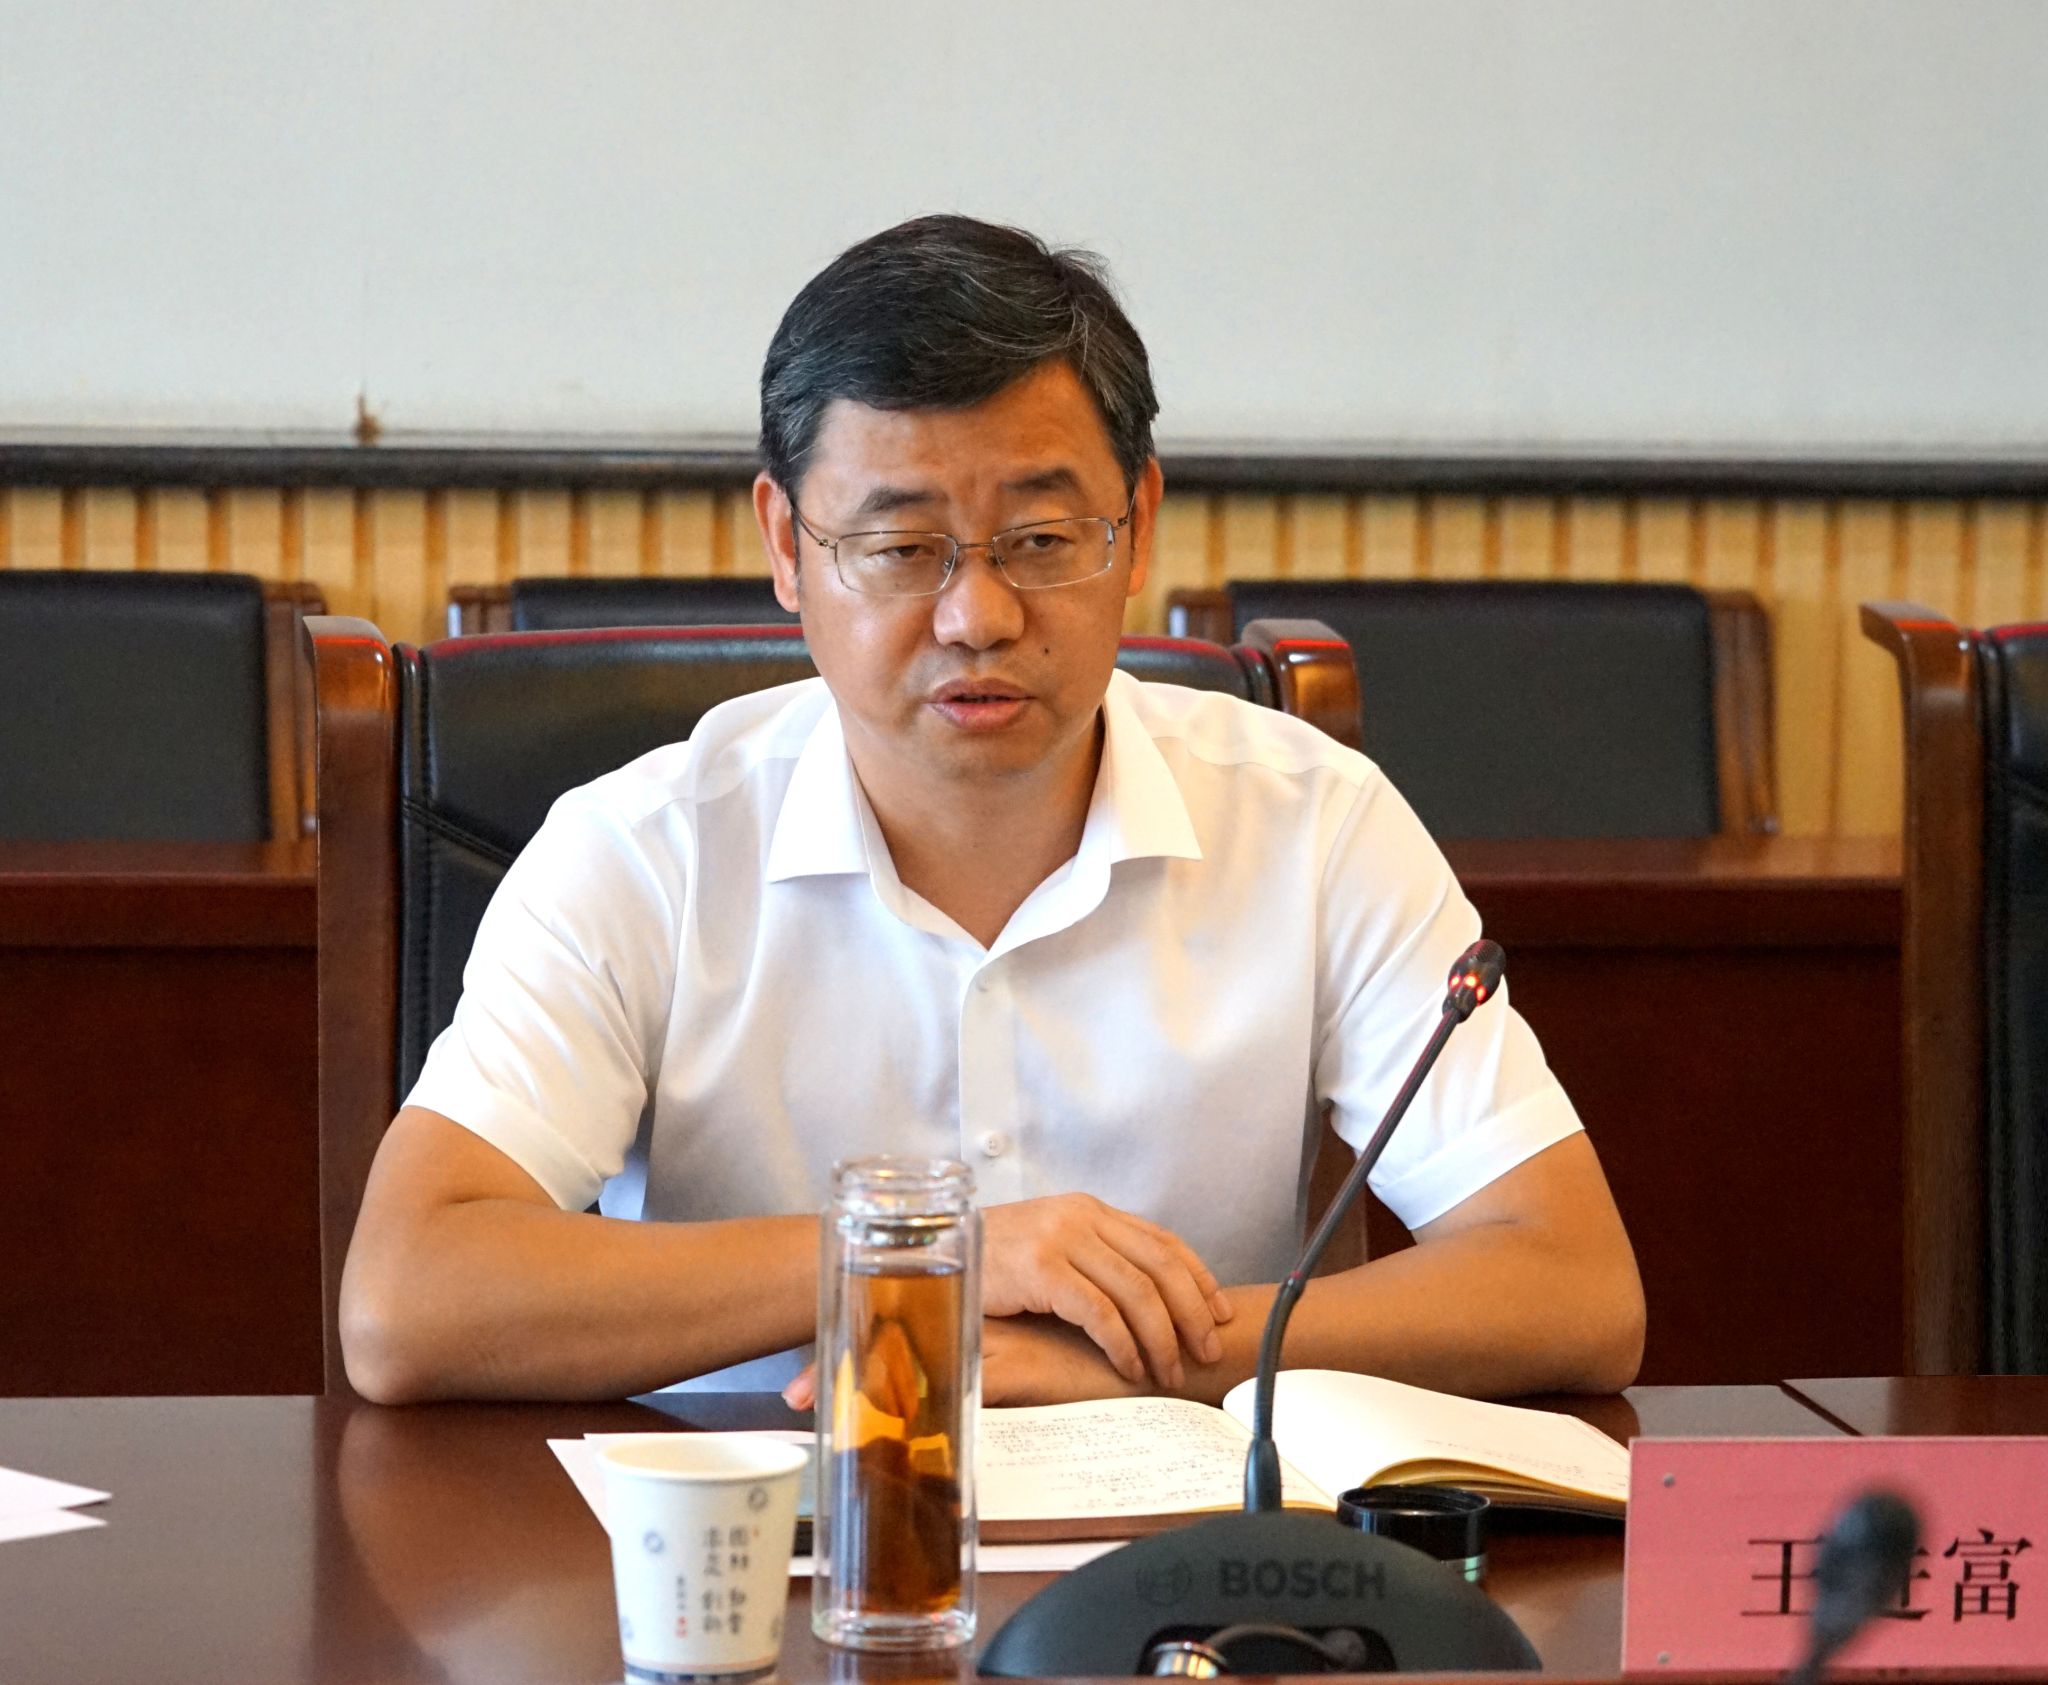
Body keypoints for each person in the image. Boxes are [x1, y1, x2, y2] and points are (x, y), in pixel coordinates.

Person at [341, 215, 1644, 1409]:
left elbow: (1572, 1283)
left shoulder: (1312, 824)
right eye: (903, 547)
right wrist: (917, 1259)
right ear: (786, 545)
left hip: (1177, 1561)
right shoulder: (642, 851)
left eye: (1041, 539)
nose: (978, 616)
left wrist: (1138, 1358)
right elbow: (407, 1297)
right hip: (753, 1552)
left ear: (1137, 522)